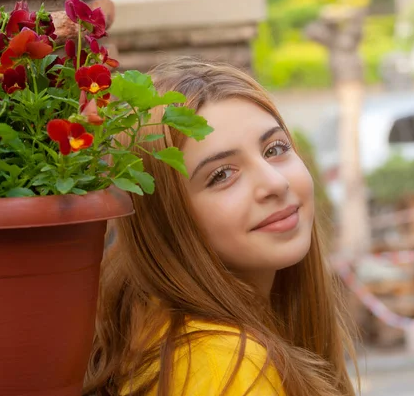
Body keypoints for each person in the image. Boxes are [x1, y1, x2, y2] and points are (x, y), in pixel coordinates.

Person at [83, 57, 358, 396]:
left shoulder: (153, 330)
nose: (274, 183)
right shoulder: (229, 365)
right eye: (222, 175)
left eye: (275, 148)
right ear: (165, 219)